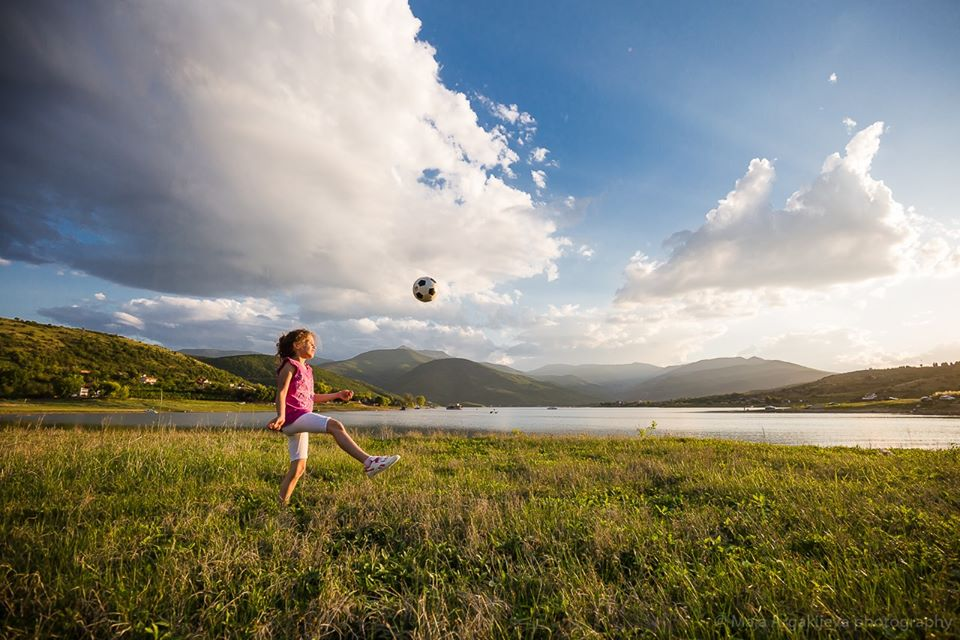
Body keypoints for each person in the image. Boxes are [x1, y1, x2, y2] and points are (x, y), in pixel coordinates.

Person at [267, 328, 399, 504]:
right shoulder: (290, 364)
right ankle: (369, 462)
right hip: (293, 417)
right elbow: (281, 392)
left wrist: (337, 395)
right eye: (310, 343)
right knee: (335, 426)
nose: (314, 346)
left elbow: (311, 397)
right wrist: (281, 416)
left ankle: (280, 504)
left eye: (315, 344)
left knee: (299, 468)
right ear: (297, 345)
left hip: (301, 418)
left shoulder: (307, 370)